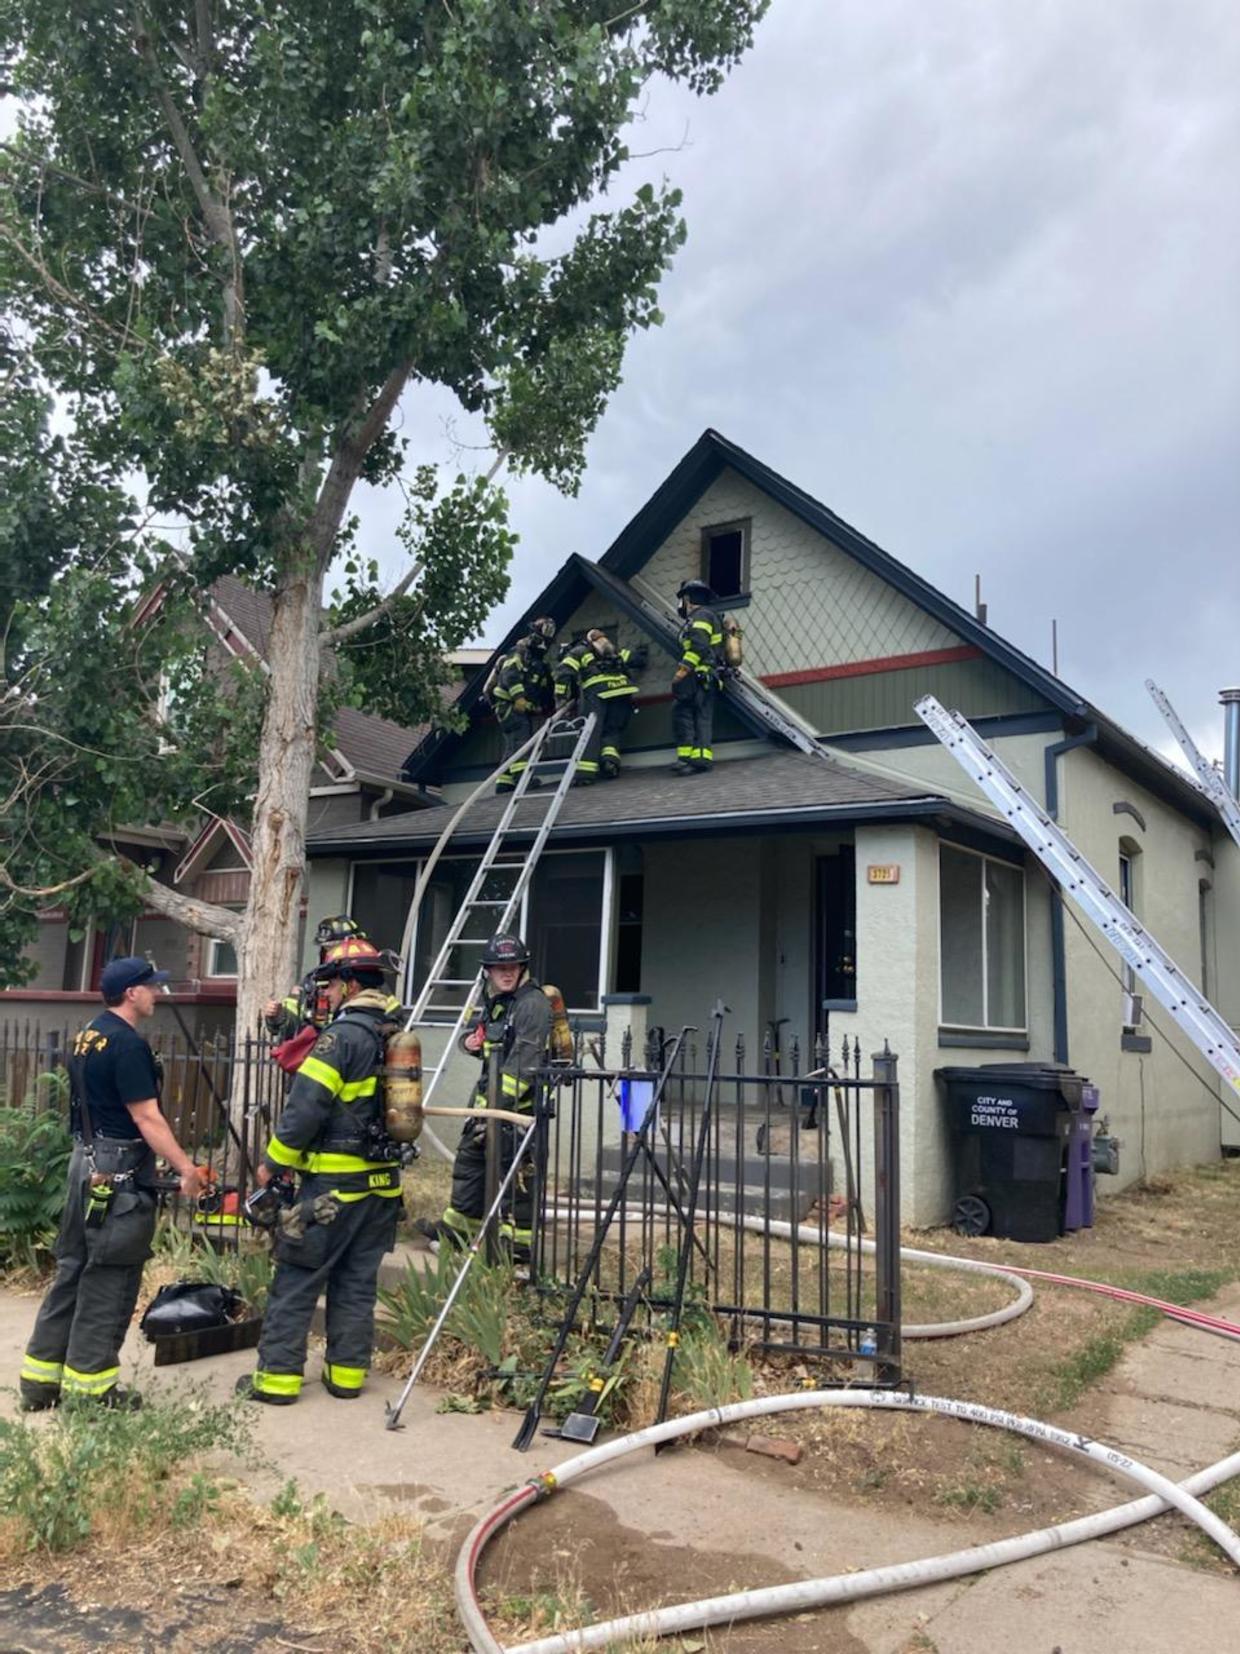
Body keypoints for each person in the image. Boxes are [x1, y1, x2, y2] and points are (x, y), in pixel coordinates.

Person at [19, 958, 208, 1411]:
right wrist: (186, 1169)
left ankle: (40, 1383)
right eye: (151, 988)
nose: (157, 995)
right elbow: (146, 1117)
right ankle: (91, 1391)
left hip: (84, 1164)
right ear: (131, 993)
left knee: (73, 1267)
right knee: (111, 1275)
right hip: (119, 1170)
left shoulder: (87, 1036)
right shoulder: (126, 1045)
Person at [236, 937, 405, 1405]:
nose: (325, 995)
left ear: (350, 984)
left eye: (330, 985)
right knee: (355, 1283)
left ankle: (276, 1381)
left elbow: (305, 1110)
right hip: (381, 1191)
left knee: (296, 1280)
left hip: (331, 1192)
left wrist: (272, 1164)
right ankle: (347, 1378)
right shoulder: (394, 1034)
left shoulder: (341, 1037)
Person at [416, 933, 551, 1258]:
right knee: (471, 1164)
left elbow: (522, 1068)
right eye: (499, 967)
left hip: (518, 1112)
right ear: (488, 971)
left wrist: (492, 1111)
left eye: (513, 966)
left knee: (516, 1178)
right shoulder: (498, 1003)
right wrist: (469, 1043)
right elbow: (483, 1039)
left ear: (522, 968)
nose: (506, 972)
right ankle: (458, 1231)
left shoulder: (532, 1005)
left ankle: (517, 1247)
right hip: (488, 1105)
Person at [553, 630, 647, 784]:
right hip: (623, 692)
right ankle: (610, 762)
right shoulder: (615, 651)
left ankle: (584, 774)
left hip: (598, 693)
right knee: (612, 729)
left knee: (591, 732)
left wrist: (560, 698)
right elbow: (636, 660)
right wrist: (642, 652)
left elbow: (563, 672)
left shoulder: (579, 652)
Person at [263, 913, 368, 1042]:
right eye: (327, 949)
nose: (332, 954)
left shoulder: (368, 980)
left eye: (337, 948)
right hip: (321, 1051)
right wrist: (279, 1015)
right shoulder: (311, 981)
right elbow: (291, 1023)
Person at [491, 617, 556, 794]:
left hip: (517, 708)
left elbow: (543, 688)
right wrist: (519, 698)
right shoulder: (518, 653)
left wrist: (548, 707)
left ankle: (504, 782)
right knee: (521, 740)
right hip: (509, 705)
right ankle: (522, 779)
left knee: (512, 744)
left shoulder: (539, 664)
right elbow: (509, 676)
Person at [670, 579, 725, 775]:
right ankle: (690, 758)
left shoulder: (700, 616)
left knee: (690, 716)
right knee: (693, 716)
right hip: (704, 675)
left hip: (698, 674)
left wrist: (683, 670)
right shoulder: (709, 616)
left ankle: (696, 759)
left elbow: (699, 645)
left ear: (687, 599)